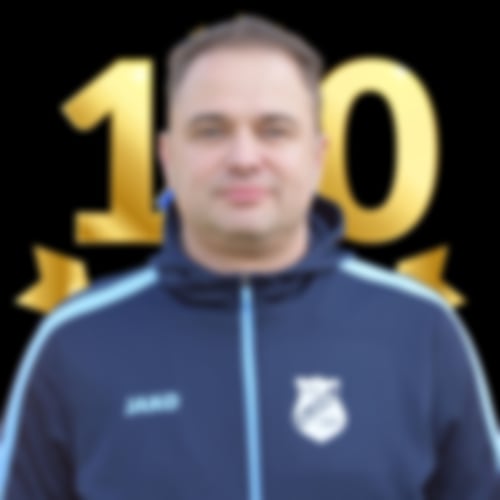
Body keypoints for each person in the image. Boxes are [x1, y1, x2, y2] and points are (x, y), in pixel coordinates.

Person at [0, 13, 499, 500]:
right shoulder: (75, 341)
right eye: (211, 131)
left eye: (274, 130)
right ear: (168, 158)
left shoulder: (421, 329)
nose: (243, 159)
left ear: (318, 156)